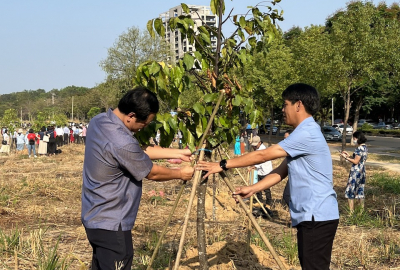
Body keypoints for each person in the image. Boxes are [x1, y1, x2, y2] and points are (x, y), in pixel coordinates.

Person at [197, 83, 339, 270]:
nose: (282, 109)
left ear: (298, 105)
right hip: (313, 215)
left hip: (317, 215)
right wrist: (253, 188)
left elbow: (263, 155)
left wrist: (223, 164)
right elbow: (282, 171)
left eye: (285, 104)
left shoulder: (307, 133)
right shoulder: (304, 133)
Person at [81, 86, 194, 270]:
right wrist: (180, 173)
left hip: (93, 216)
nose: (144, 128)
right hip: (112, 222)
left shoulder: (99, 121)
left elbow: (135, 150)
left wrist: (179, 152)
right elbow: (151, 172)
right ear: (131, 116)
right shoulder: (122, 142)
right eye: (144, 123)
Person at [340, 131, 368, 213]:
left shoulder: (359, 148)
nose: (354, 140)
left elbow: (356, 161)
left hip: (356, 172)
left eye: (354, 138)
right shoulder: (365, 147)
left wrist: (345, 158)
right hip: (362, 171)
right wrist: (349, 156)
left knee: (350, 191)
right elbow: (359, 159)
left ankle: (351, 213)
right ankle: (361, 212)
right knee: (360, 191)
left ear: (358, 139)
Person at [249, 135, 274, 217]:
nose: (254, 147)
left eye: (255, 145)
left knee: (266, 188)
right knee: (257, 185)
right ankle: (259, 200)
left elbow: (262, 161)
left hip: (266, 171)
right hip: (259, 171)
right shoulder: (257, 149)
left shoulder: (263, 149)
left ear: (259, 143)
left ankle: (268, 203)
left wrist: (254, 166)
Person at [282, 129, 293, 207]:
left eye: (287, 138)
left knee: (287, 196)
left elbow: (263, 155)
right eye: (284, 138)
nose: (284, 140)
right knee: (287, 196)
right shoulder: (288, 151)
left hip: (303, 179)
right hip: (293, 177)